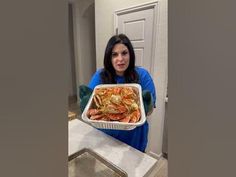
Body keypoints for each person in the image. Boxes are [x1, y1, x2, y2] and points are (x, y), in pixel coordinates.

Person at [80, 34, 156, 152]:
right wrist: (86, 103)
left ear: (130, 54)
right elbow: (90, 108)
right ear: (108, 57)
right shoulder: (100, 76)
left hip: (134, 140)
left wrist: (147, 106)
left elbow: (150, 111)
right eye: (114, 54)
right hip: (106, 139)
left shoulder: (143, 75)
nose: (120, 59)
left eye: (124, 53)